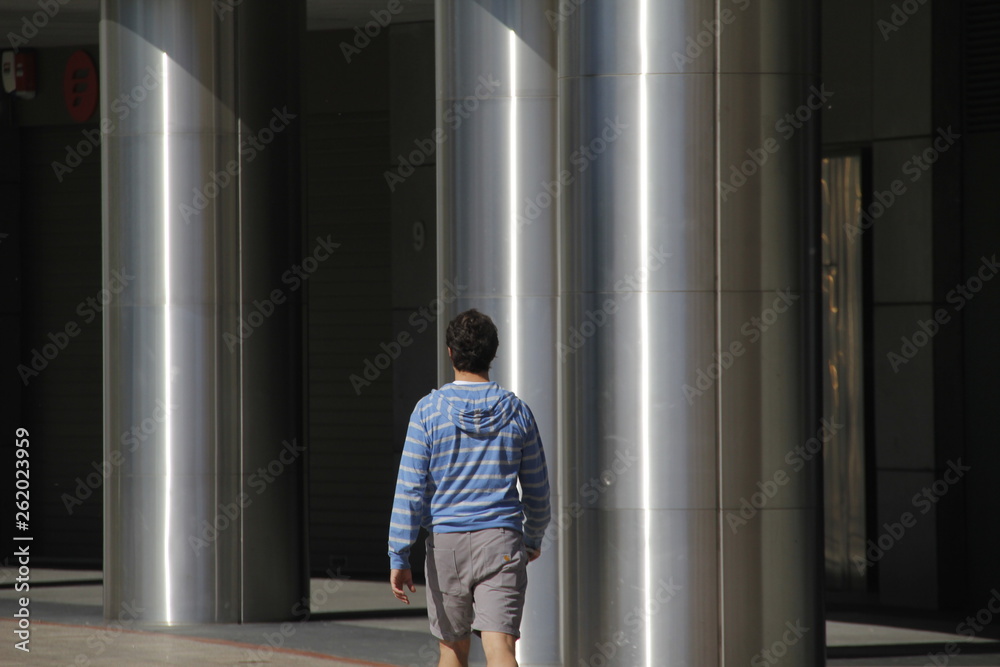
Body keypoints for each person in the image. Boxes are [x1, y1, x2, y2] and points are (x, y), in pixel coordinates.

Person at [388, 308, 551, 667]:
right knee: (501, 648)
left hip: (446, 545)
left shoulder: (427, 412)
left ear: (450, 352)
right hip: (502, 543)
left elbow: (410, 490)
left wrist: (399, 554)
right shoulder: (518, 412)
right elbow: (538, 490)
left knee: (452, 650)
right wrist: (532, 538)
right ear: (493, 353)